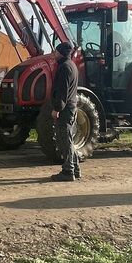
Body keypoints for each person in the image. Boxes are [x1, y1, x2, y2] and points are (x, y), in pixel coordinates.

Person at [50, 41, 80, 182]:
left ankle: (68, 171)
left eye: (56, 51)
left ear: (61, 52)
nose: (54, 54)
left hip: (66, 108)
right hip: (71, 106)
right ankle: (76, 168)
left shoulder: (64, 67)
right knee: (69, 138)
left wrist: (57, 109)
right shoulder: (72, 65)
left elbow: (62, 91)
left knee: (64, 139)